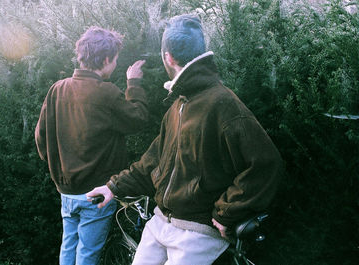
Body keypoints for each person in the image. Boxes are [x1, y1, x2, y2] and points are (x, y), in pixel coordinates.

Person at [87, 14, 283, 265]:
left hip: (198, 233)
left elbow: (266, 163)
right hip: (160, 222)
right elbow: (152, 161)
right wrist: (112, 188)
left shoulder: (223, 104)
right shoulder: (177, 107)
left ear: (167, 57)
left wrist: (227, 213)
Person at [34, 26, 148, 265]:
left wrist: (59, 167)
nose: (115, 64)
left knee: (69, 247)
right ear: (106, 59)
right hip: (96, 193)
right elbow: (137, 119)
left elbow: (40, 136)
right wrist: (134, 83)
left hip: (66, 190)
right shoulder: (105, 92)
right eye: (115, 60)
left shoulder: (57, 89)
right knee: (87, 254)